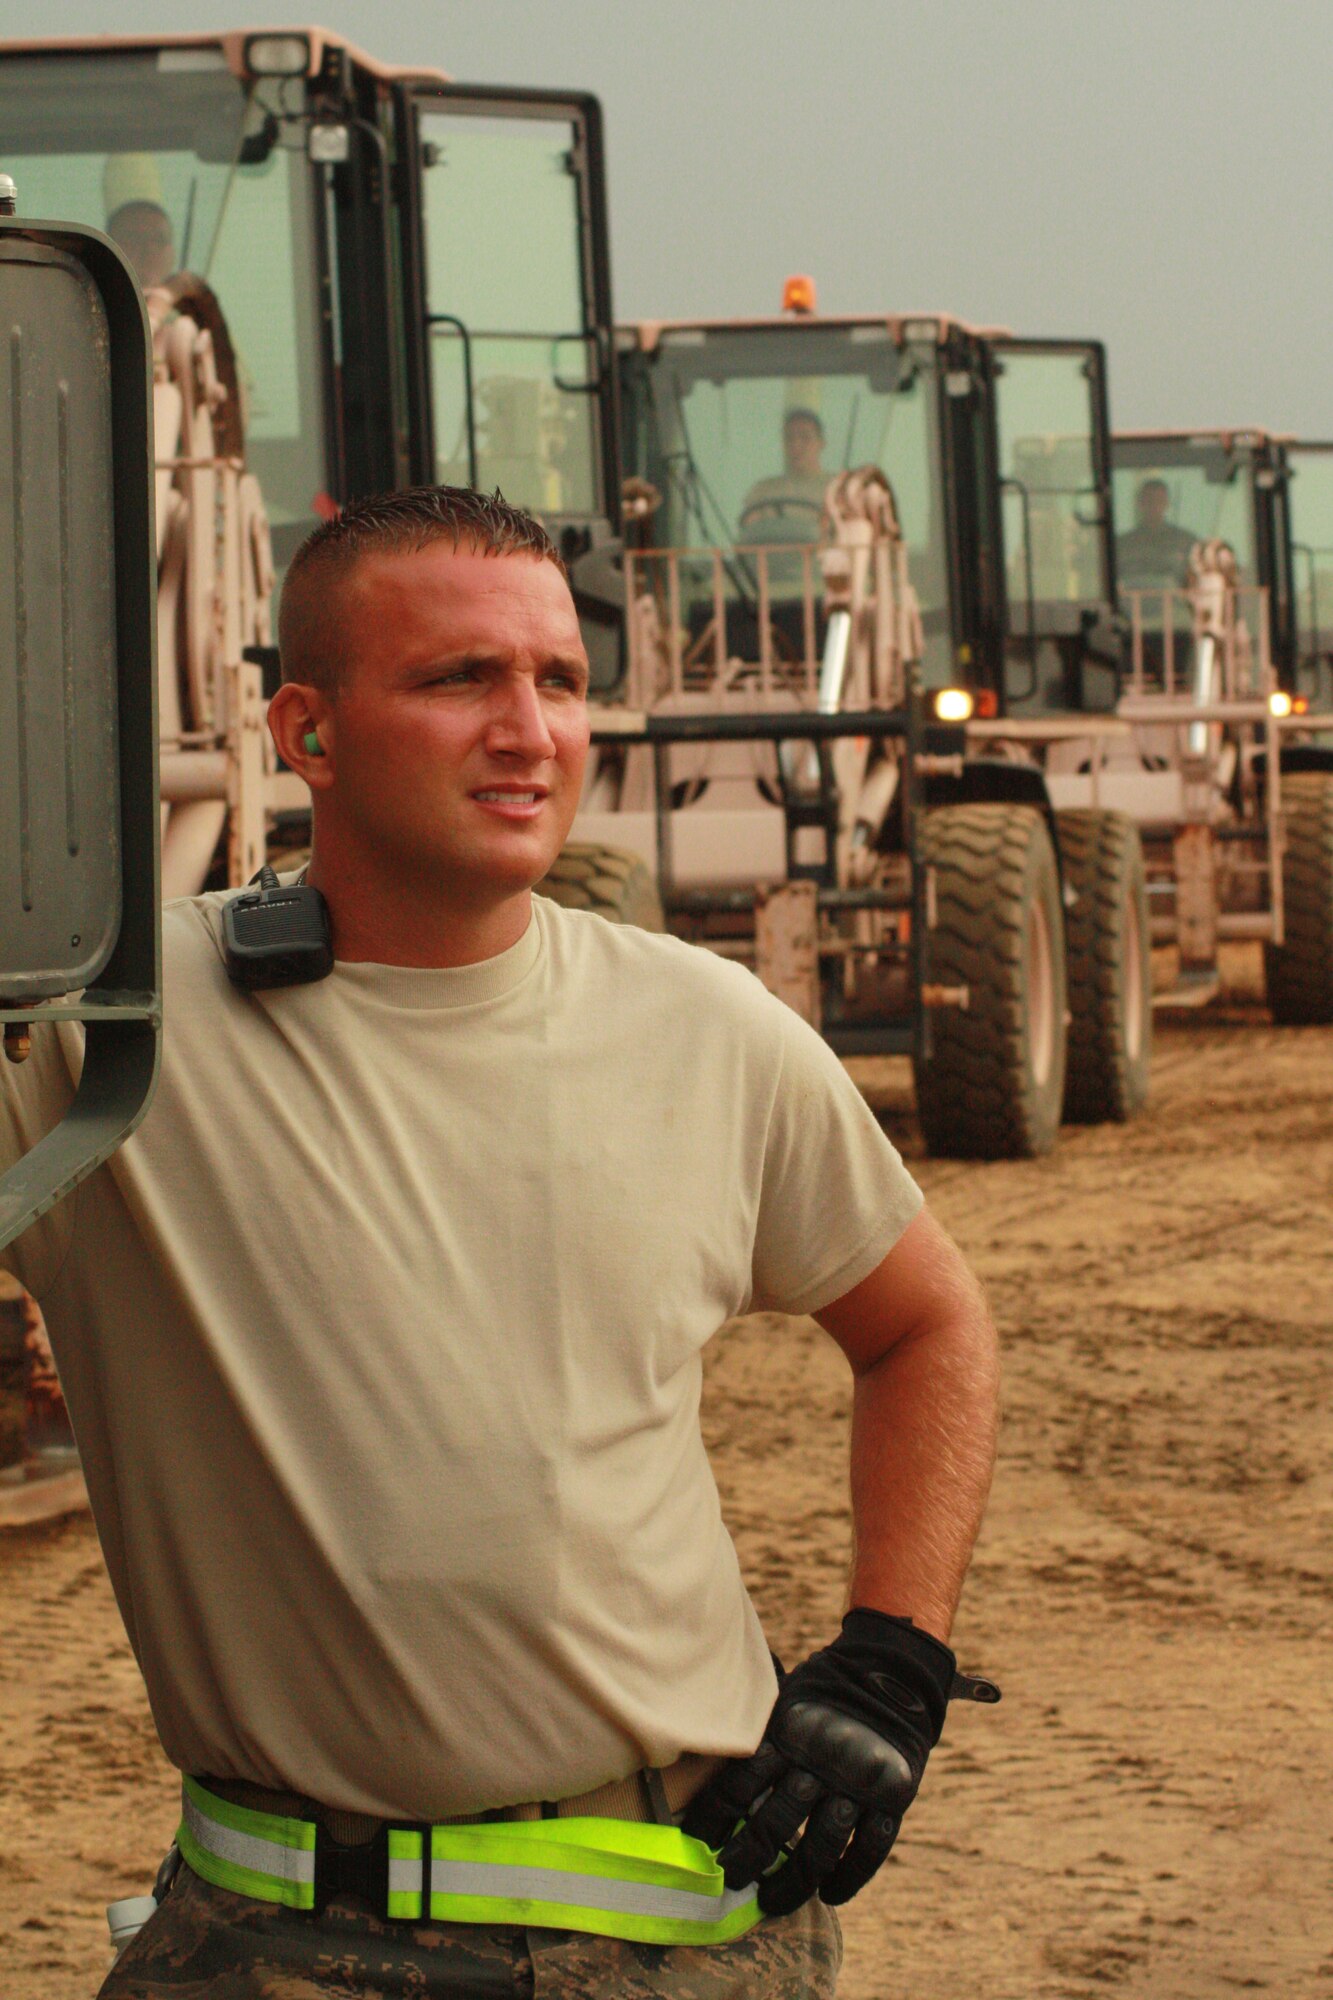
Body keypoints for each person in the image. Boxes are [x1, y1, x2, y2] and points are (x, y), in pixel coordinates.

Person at [0, 485, 1000, 1999]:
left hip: (691, 1942)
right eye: (459, 678)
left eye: (561, 681)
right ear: (307, 733)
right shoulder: (111, 1043)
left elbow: (926, 1326)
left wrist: (894, 1658)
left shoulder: (706, 1028)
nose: (530, 728)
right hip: (272, 1947)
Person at [740, 407, 830, 541]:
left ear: (821, 443)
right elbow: (749, 536)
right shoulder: (762, 491)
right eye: (789, 438)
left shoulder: (839, 489)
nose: (796, 445)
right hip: (771, 561)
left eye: (805, 438)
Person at [1116, 475, 1196, 592]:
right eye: (1149, 501)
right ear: (1140, 503)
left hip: (1175, 607)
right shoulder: (1121, 545)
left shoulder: (1186, 542)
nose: (1154, 505)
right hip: (1128, 608)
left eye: (1159, 500)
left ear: (1167, 503)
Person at [106, 198, 177, 291]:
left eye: (159, 240)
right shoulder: (90, 300)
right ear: (109, 247)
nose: (149, 249)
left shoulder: (193, 302)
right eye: (134, 238)